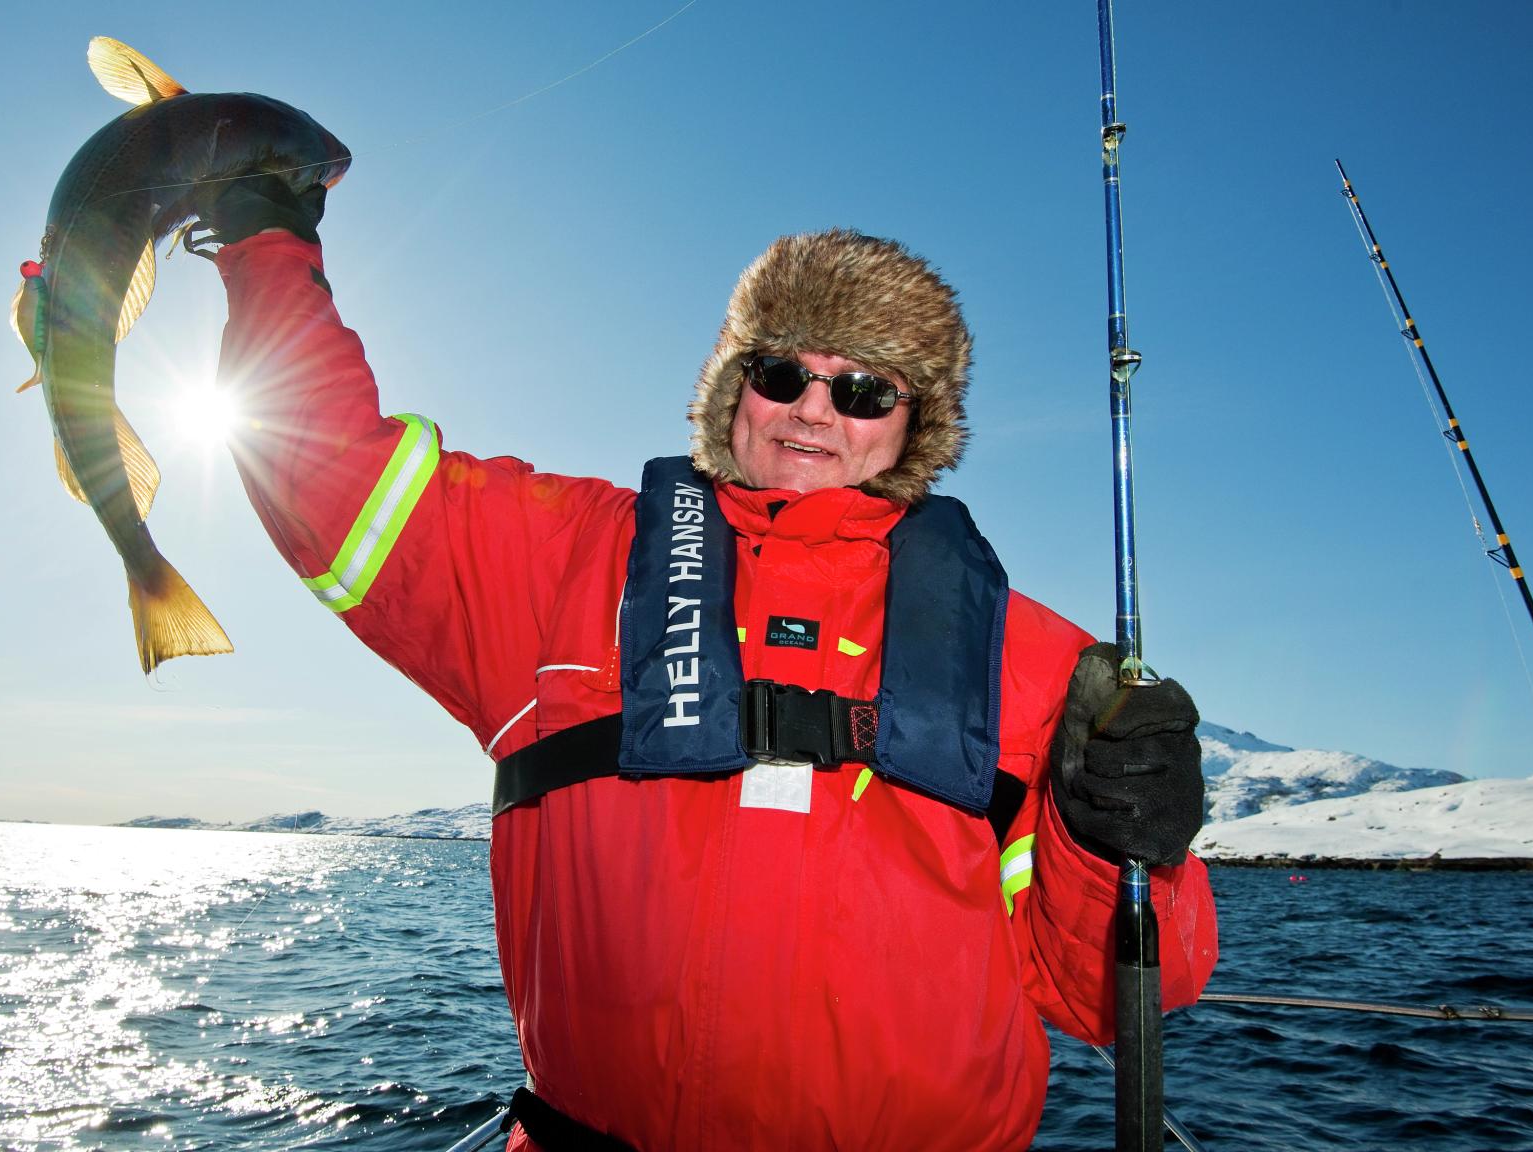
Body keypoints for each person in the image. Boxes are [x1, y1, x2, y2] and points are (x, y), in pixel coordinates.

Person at [197, 179, 1217, 1151]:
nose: (813, 413)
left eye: (862, 390)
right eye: (782, 375)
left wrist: (1124, 847)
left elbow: (1107, 995)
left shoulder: (1036, 659)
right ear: (734, 388)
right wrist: (264, 242)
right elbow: (323, 468)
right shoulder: (566, 559)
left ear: (915, 422)